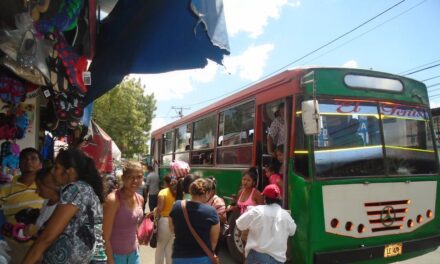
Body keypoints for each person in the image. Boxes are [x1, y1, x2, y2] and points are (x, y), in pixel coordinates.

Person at [22, 148, 107, 264]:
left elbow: (47, 237)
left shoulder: (75, 190)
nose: (52, 171)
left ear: (70, 171)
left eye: (56, 167)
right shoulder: (86, 189)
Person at [0, 147, 44, 264]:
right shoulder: (5, 189)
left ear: (40, 164)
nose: (28, 162)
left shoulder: (46, 187)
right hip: (14, 246)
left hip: (42, 245)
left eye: (33, 159)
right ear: (19, 163)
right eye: (24, 159)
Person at [236, 184, 296, 264]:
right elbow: (292, 231)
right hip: (277, 260)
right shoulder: (286, 216)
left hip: (257, 257)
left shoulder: (257, 211)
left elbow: (240, 224)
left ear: (265, 198)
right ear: (279, 199)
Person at [169, 179, 220, 264]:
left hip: (179, 257)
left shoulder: (177, 205)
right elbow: (213, 241)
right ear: (207, 193)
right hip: (202, 258)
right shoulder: (211, 211)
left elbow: (172, 229)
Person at [103, 160, 144, 264]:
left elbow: (135, 228)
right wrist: (110, 261)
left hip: (134, 256)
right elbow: (104, 237)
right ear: (123, 178)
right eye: (131, 177)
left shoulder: (140, 199)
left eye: (139, 177)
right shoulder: (113, 200)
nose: (135, 180)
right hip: (115, 257)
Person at [24, 167, 59, 238]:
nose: (36, 191)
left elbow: (49, 236)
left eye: (39, 187)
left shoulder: (59, 208)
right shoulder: (47, 201)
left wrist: (36, 233)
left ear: (51, 187)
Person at [154, 175, 177, 264]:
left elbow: (160, 208)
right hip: (174, 222)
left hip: (164, 222)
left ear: (166, 183)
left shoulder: (163, 192)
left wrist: (154, 211)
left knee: (160, 247)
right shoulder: (177, 192)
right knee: (169, 248)